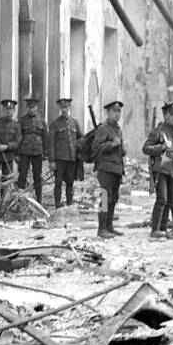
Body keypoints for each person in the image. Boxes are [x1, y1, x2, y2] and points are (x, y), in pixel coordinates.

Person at [144, 98, 173, 239]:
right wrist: (161, 147)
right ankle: (155, 229)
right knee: (162, 199)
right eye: (171, 114)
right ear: (165, 115)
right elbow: (145, 148)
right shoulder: (157, 132)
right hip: (161, 169)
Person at [86, 100, 125, 238]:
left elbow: (120, 150)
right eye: (114, 111)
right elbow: (95, 148)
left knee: (113, 198)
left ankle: (109, 227)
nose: (117, 114)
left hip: (116, 169)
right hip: (105, 170)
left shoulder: (118, 129)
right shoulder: (103, 129)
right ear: (107, 113)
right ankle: (101, 229)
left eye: (119, 111)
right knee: (104, 198)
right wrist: (111, 145)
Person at [46, 96, 82, 209]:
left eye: (66, 107)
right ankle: (57, 206)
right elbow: (50, 143)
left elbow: (80, 139)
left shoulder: (75, 123)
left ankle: (69, 205)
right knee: (58, 183)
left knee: (70, 182)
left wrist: (79, 154)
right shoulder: (54, 124)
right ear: (59, 108)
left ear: (69, 107)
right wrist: (51, 160)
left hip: (71, 158)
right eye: (62, 107)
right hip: (59, 159)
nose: (64, 109)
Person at [17, 95, 47, 204]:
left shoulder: (42, 122)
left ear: (37, 108)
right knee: (22, 176)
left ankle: (39, 200)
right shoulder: (22, 121)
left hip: (37, 152)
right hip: (24, 152)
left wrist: (45, 153)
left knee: (37, 177)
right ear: (27, 108)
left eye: (34, 107)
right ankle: (20, 199)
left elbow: (45, 137)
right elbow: (18, 138)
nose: (32, 109)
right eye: (30, 107)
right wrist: (17, 154)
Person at [0, 99, 20, 181]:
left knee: (6, 180)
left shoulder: (16, 126)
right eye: (6, 109)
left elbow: (17, 142)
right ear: (3, 110)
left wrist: (6, 146)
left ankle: (4, 194)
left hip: (8, 157)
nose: (8, 111)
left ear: (14, 110)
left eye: (10, 109)